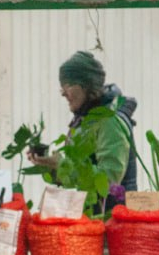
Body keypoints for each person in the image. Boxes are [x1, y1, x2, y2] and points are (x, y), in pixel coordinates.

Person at [29, 50, 138, 210]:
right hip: (92, 219)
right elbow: (79, 176)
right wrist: (50, 166)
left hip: (111, 222)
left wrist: (62, 164)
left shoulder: (109, 121)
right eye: (62, 87)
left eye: (68, 86)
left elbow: (107, 181)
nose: (63, 93)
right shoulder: (86, 118)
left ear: (87, 86)